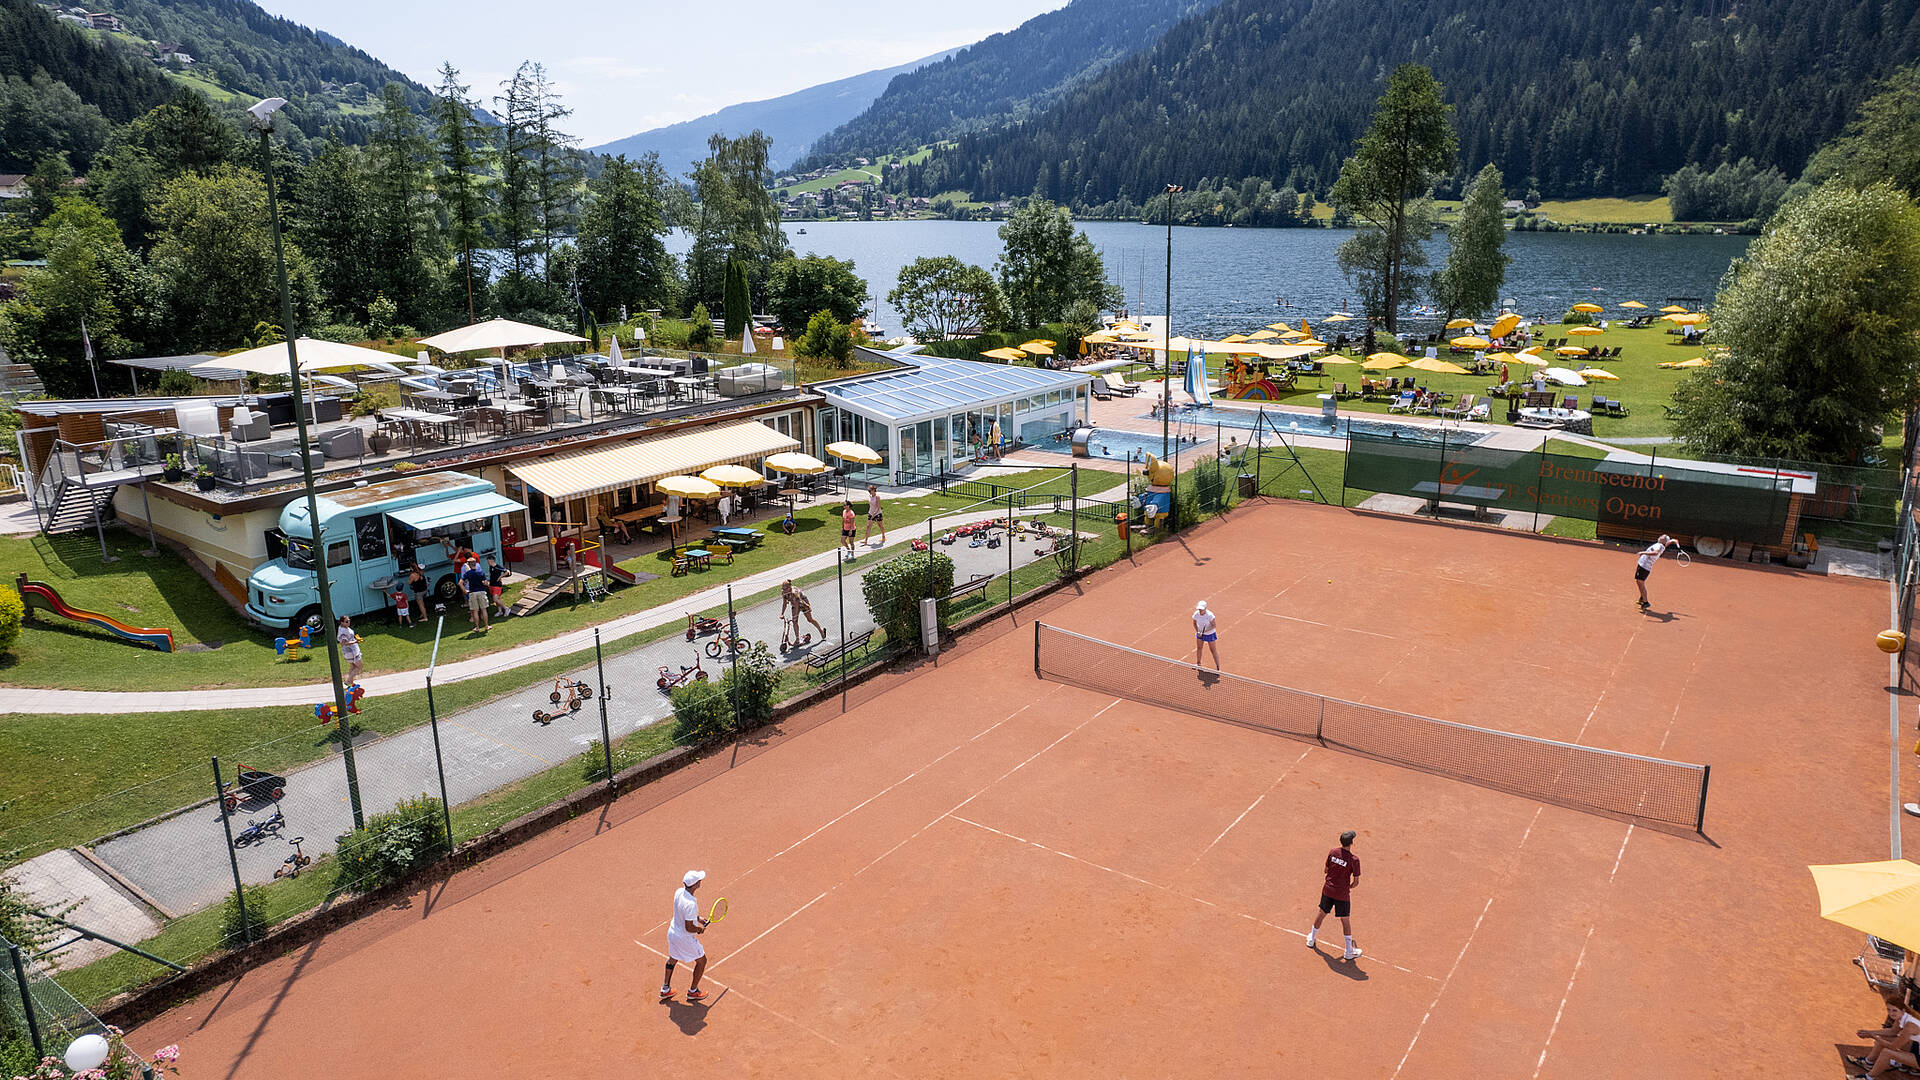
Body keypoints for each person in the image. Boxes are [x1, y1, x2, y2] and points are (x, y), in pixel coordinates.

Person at [1307, 830, 1362, 961]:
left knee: (1321, 913)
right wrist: (1345, 887)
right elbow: (1356, 882)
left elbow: (1325, 870)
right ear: (1351, 843)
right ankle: (1349, 951)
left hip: (1327, 890)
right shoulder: (1354, 860)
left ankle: (1311, 939)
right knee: (1345, 921)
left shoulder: (1332, 852)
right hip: (1342, 895)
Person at [661, 870, 712, 1002]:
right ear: (695, 884)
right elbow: (689, 927)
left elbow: (682, 912)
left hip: (672, 933)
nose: (701, 881)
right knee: (702, 961)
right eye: (699, 880)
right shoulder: (691, 903)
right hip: (684, 938)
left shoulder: (679, 892)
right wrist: (699, 930)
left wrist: (698, 918)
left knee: (672, 959)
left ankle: (665, 989)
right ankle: (693, 992)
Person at [1634, 533, 1672, 610]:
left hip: (1644, 566)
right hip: (1644, 566)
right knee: (1639, 581)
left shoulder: (1659, 546)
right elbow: (1667, 543)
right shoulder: (1662, 546)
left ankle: (1645, 602)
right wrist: (1673, 541)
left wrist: (1643, 552)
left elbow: (1655, 552)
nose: (1660, 537)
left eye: (1662, 537)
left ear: (1664, 541)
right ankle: (1642, 598)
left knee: (1640, 582)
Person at [460, 557, 491, 632]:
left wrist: (464, 591)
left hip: (472, 593)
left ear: (469, 565)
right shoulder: (480, 572)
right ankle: (486, 626)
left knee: (475, 611)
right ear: (475, 564)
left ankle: (477, 627)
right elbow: (485, 583)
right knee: (484, 609)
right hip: (481, 592)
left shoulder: (468, 573)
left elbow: (460, 583)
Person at [1192, 600, 1220, 670]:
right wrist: (1198, 631)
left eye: (1201, 609)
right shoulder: (1196, 614)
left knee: (1213, 650)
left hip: (1210, 634)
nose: (1200, 610)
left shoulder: (1210, 615)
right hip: (1200, 634)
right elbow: (1194, 623)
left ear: (1205, 608)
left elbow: (1213, 625)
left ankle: (1218, 668)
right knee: (1199, 648)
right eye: (1199, 609)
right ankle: (1198, 663)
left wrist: (1204, 631)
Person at [336, 615, 363, 683]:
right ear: (342, 622)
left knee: (353, 666)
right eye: (346, 621)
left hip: (350, 651)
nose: (349, 622)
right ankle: (348, 681)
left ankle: (350, 682)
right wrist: (355, 641)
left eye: (349, 620)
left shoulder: (343, 628)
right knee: (359, 666)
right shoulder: (343, 631)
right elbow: (343, 643)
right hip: (351, 652)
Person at [486, 554, 510, 618]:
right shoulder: (491, 567)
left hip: (497, 585)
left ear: (491, 560)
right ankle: (500, 611)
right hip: (492, 585)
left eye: (488, 561)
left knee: (495, 599)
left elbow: (507, 571)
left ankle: (506, 608)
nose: (487, 563)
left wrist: (500, 577)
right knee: (497, 599)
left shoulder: (498, 567)